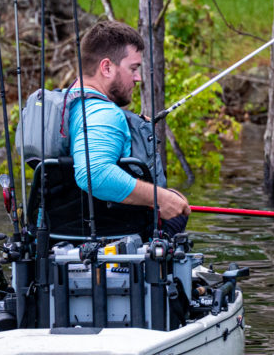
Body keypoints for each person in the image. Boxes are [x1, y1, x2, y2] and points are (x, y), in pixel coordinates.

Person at [66, 20, 189, 233]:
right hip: (108, 240)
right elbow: (93, 173)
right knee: (175, 217)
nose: (138, 78)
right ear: (106, 67)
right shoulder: (105, 115)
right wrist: (161, 198)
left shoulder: (62, 109)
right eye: (133, 68)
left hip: (57, 239)